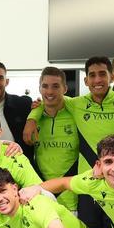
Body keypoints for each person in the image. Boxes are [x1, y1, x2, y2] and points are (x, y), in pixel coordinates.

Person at [30, 67, 80, 210]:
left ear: (65, 88)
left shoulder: (76, 114)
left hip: (72, 198)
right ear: (39, 88)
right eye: (45, 86)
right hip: (41, 195)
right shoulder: (35, 116)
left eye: (55, 86)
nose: (50, 91)